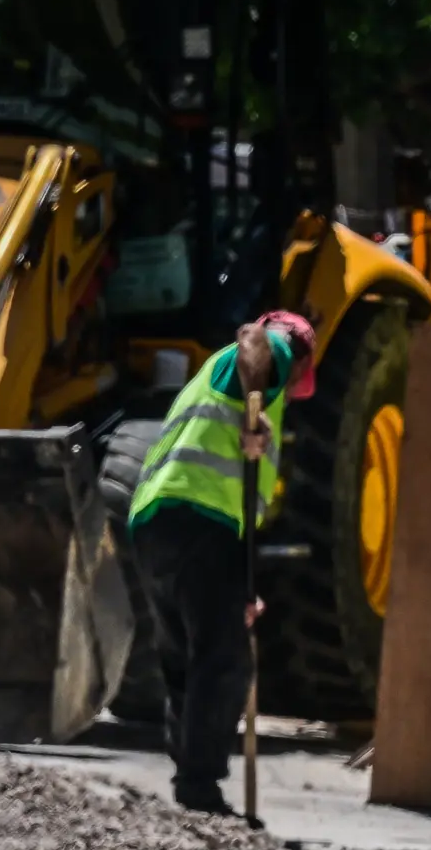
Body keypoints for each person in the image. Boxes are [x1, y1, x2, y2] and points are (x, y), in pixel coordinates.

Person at [125, 309, 316, 814]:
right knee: (223, 660)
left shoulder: (227, 387)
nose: (292, 387)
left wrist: (243, 583)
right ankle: (199, 785)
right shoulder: (267, 353)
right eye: (297, 377)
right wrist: (255, 411)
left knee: (187, 658)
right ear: (298, 360)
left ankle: (190, 779)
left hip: (157, 521)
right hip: (197, 519)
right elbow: (254, 337)